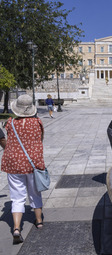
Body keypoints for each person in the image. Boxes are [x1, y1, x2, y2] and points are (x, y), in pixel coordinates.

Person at [2, 94, 45, 244]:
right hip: (33, 162)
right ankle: (39, 221)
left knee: (17, 196)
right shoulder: (37, 122)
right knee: (34, 192)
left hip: (14, 162)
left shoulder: (10, 122)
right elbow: (40, 139)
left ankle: (16, 228)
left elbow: (8, 137)